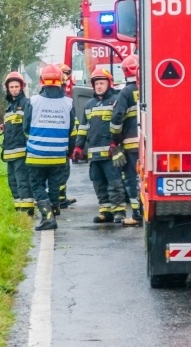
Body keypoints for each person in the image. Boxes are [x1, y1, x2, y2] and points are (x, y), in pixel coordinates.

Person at [24, 64, 76, 231]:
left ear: (41, 81)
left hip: (36, 154)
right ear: (62, 82)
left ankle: (47, 217)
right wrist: (69, 150)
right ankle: (54, 209)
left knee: (37, 184)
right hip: (58, 155)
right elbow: (71, 131)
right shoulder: (68, 103)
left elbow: (25, 128)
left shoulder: (33, 101)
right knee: (55, 184)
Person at [73, 68, 127, 223]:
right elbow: (83, 127)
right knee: (98, 182)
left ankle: (119, 212)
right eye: (96, 83)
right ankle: (105, 211)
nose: (98, 86)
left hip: (112, 151)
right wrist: (78, 146)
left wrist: (116, 143)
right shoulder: (89, 105)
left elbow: (120, 124)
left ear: (109, 84)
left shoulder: (116, 101)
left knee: (115, 182)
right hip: (94, 153)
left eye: (102, 83)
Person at [110, 54, 142, 226]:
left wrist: (115, 140)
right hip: (150, 143)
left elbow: (117, 118)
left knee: (132, 179)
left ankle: (137, 214)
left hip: (131, 144)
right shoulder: (149, 87)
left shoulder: (126, 92)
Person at [1, 72, 34, 215]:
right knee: (13, 182)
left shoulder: (26, 104)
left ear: (21, 87)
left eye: (16, 86)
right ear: (7, 89)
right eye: (11, 87)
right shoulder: (9, 107)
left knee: (23, 181)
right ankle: (19, 209)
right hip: (9, 152)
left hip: (22, 150)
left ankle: (27, 210)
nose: (14, 89)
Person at [56, 63, 78, 210]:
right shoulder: (59, 94)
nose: (67, 77)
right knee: (61, 172)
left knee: (63, 172)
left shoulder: (62, 92)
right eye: (64, 74)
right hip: (61, 141)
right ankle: (59, 199)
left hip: (63, 140)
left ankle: (61, 198)